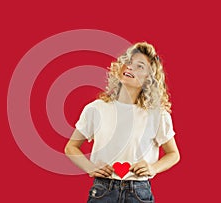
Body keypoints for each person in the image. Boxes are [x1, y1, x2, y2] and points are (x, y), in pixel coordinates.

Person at [65, 42, 180, 203]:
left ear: (149, 79)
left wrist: (153, 168)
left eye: (140, 66)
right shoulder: (96, 109)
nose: (130, 67)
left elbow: (174, 154)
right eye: (128, 62)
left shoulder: (157, 115)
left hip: (139, 192)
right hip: (102, 191)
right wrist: (90, 168)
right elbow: (71, 147)